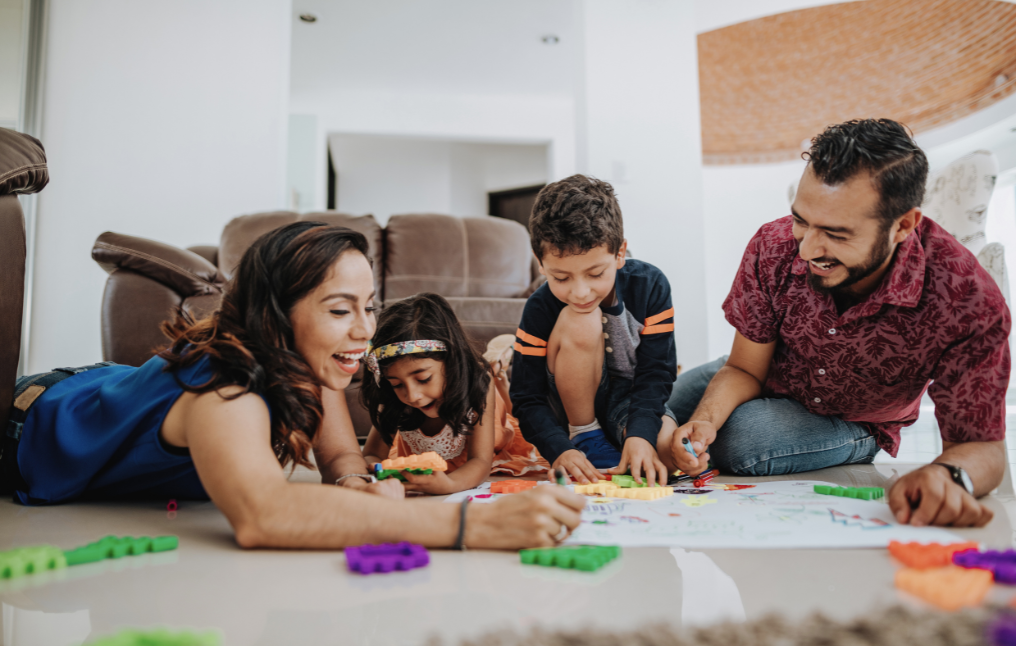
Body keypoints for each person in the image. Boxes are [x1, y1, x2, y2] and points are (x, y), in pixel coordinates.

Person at [0, 222, 584, 548]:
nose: (364, 331)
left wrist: (355, 481)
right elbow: (263, 514)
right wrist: (467, 525)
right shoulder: (225, 389)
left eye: (369, 306)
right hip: (27, 420)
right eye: (338, 310)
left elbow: (336, 451)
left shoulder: (314, 361)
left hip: (103, 387)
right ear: (278, 317)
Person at [661, 118, 1010, 528]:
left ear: (902, 225)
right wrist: (702, 421)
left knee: (742, 441)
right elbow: (742, 368)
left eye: (836, 234)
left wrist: (946, 475)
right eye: (802, 221)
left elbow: (982, 447)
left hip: (856, 419)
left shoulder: (965, 297)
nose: (807, 249)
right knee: (651, 404)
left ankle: (851, 445)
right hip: (765, 374)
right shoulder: (773, 245)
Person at [510, 174, 678, 487]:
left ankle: (618, 442)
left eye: (595, 273)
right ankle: (586, 434)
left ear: (620, 253)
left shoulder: (651, 285)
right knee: (581, 318)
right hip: (565, 410)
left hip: (628, 398)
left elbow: (656, 373)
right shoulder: (539, 307)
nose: (581, 292)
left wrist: (641, 435)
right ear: (540, 264)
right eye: (561, 278)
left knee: (666, 454)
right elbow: (526, 396)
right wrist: (560, 449)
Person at [360, 294, 548, 495]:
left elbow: (480, 461)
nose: (412, 396)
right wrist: (374, 474)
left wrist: (449, 485)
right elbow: (371, 454)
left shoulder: (478, 383)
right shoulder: (394, 395)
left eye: (423, 379)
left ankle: (498, 363)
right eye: (397, 384)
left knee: (490, 379)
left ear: (452, 362)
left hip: (480, 410)